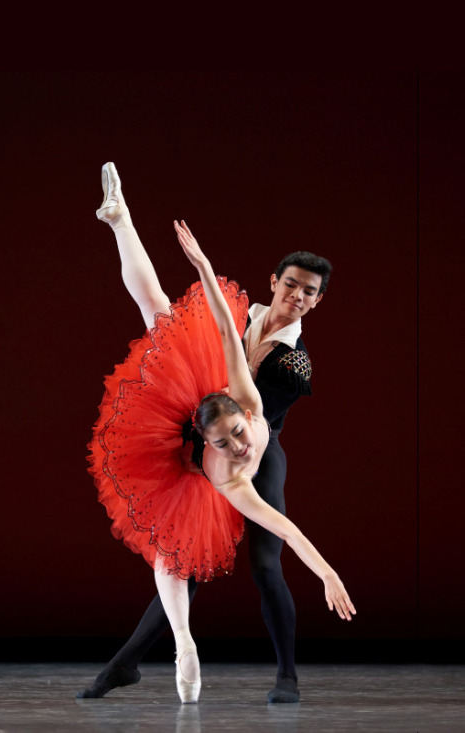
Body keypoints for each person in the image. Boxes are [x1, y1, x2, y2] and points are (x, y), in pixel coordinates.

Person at [80, 162, 355, 704]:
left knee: (263, 559)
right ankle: (120, 219)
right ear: (276, 283)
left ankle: (287, 676)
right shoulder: (243, 314)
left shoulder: (293, 366)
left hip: (254, 442)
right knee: (159, 312)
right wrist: (204, 267)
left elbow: (250, 427)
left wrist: (227, 449)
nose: (297, 296)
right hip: (208, 419)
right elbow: (227, 339)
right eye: (292, 285)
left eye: (309, 293)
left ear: (317, 302)